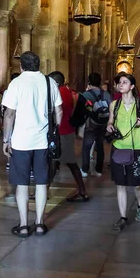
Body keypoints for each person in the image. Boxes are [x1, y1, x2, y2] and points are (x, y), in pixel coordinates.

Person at [2, 51, 62, 237]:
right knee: (42, 183)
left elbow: (9, 114)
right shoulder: (49, 82)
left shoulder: (16, 83)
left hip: (21, 141)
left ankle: (22, 225)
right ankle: (39, 224)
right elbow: (59, 112)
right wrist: (53, 130)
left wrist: (6, 139)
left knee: (22, 184)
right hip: (43, 140)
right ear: (38, 65)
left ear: (21, 66)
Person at [106, 73, 140, 230]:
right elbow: (110, 121)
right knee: (120, 184)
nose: (121, 84)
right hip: (119, 148)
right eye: (119, 82)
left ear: (132, 86)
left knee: (138, 185)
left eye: (124, 82)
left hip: (137, 148)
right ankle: (123, 217)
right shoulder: (114, 105)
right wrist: (109, 126)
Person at [49, 70, 88, 202]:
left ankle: (42, 191)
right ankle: (82, 190)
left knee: (59, 162)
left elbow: (57, 112)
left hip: (62, 132)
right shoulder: (66, 91)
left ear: (55, 82)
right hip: (66, 131)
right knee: (60, 162)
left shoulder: (59, 93)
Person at [79, 72, 112, 178]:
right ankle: (98, 170)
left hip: (90, 124)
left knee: (86, 147)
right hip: (103, 123)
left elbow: (81, 111)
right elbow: (111, 109)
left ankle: (85, 169)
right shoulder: (106, 94)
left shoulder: (86, 94)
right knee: (100, 146)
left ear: (89, 81)